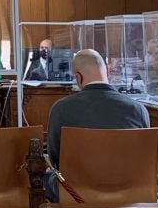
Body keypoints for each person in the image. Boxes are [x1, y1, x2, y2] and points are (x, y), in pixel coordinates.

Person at [45, 50, 150, 200]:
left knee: (47, 178)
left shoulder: (61, 109)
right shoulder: (138, 109)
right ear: (107, 70)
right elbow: (144, 158)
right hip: (127, 190)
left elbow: (55, 159)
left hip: (77, 193)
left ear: (78, 77)